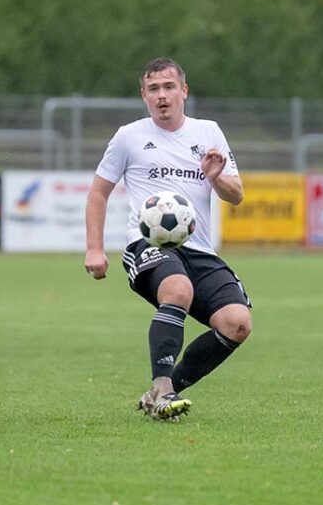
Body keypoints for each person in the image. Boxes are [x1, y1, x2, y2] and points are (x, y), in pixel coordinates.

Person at [84, 57, 252, 422]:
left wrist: (215, 177)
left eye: (169, 87)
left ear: (184, 92)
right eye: (154, 89)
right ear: (143, 95)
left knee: (237, 322)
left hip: (200, 249)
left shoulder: (209, 132)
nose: (162, 96)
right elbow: (98, 193)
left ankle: (162, 391)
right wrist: (94, 249)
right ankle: (162, 389)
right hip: (147, 245)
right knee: (177, 290)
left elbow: (236, 195)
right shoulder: (129, 136)